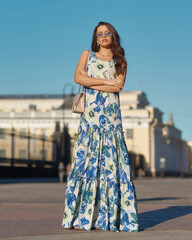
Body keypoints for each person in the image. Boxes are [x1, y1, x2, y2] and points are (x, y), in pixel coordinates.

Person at [61, 21, 139, 232]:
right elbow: (78, 77)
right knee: (85, 163)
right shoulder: (87, 54)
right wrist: (106, 83)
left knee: (111, 165)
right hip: (91, 117)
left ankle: (107, 219)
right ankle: (82, 218)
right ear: (95, 39)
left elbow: (119, 85)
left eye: (107, 33)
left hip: (112, 118)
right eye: (99, 34)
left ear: (113, 36)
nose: (103, 37)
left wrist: (91, 80)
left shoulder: (121, 61)